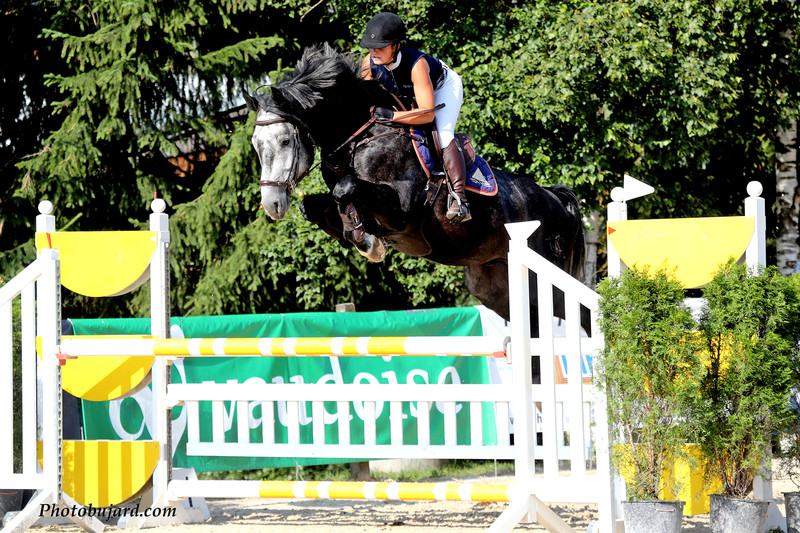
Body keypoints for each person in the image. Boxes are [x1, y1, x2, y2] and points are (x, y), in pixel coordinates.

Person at [359, 12, 471, 223]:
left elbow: (427, 114)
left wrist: (393, 115)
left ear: (396, 46)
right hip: (407, 92)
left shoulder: (416, 65)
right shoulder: (369, 63)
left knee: (443, 133)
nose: (374, 52)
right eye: (371, 47)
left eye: (380, 47)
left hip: (442, 89)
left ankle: (459, 198)